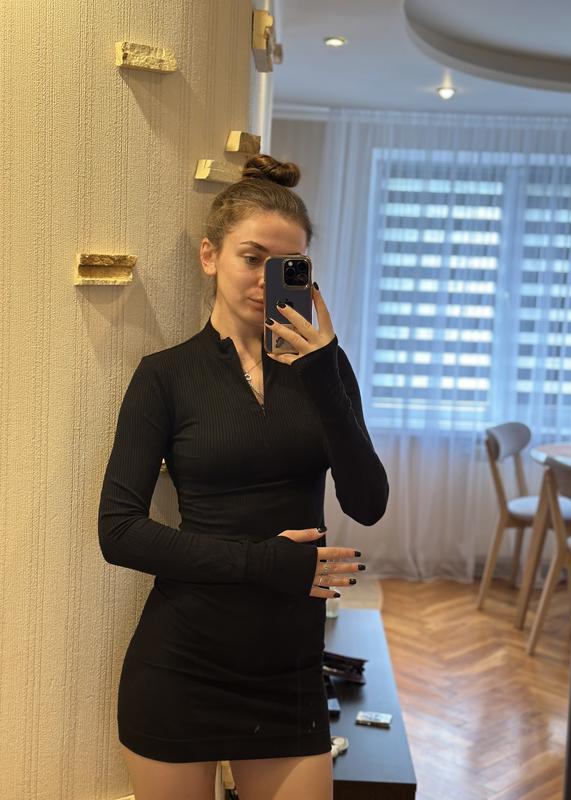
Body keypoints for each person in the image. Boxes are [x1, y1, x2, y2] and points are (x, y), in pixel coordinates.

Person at [97, 153, 389, 800]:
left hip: (288, 669)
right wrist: (263, 563)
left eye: (288, 267)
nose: (264, 280)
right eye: (251, 257)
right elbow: (118, 532)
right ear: (210, 256)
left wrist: (323, 373)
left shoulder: (327, 371)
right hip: (180, 664)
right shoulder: (164, 376)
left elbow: (368, 502)